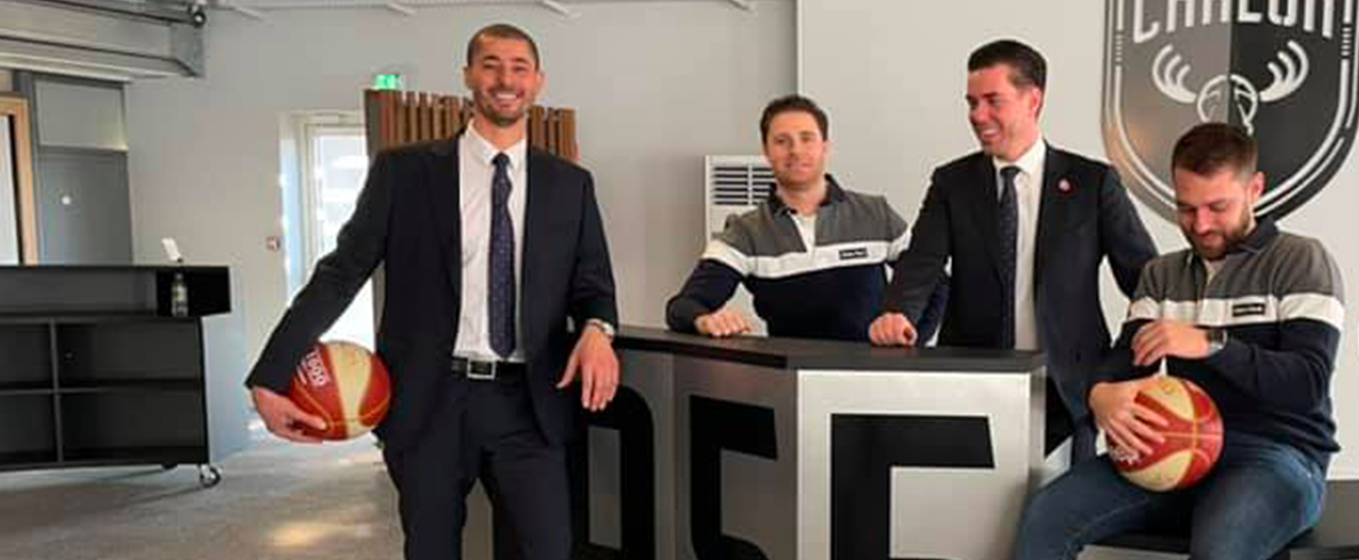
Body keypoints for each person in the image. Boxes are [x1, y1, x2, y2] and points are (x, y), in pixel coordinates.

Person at [244, 24, 619, 560]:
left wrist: (599, 330)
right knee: (431, 548)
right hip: (430, 399)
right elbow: (340, 274)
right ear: (468, 75)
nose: (505, 79)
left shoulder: (570, 184)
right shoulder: (404, 171)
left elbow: (593, 284)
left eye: (519, 67)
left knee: (550, 548)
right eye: (490, 65)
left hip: (529, 402)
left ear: (538, 81)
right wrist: (270, 374)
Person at [1010, 123, 1342, 560]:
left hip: (1277, 457)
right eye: (1186, 209)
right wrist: (1101, 393)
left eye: (1217, 207)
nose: (1200, 225)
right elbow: (1124, 362)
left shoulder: (1301, 260)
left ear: (1255, 189)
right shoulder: (1162, 275)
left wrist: (1210, 343)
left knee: (1221, 549)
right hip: (1177, 448)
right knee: (1046, 515)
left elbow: (1306, 384)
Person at [871, 39, 1158, 459]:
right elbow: (921, 261)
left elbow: (1146, 282)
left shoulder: (1093, 183)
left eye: (993, 101)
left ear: (1033, 100)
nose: (977, 115)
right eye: (972, 103)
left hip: (1069, 391)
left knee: (1063, 499)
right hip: (974, 385)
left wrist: (1122, 369)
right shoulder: (951, 183)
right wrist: (898, 311)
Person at [665, 94, 943, 341]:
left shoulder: (876, 214)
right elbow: (682, 307)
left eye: (807, 138)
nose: (795, 150)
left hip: (871, 377)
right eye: (781, 141)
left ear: (825, 146)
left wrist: (911, 346)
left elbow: (935, 283)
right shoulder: (744, 233)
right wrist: (706, 320)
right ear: (766, 151)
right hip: (792, 379)